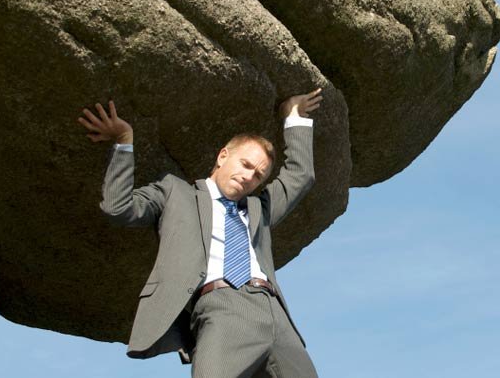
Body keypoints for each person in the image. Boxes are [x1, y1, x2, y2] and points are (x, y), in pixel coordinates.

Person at [78, 88, 323, 378]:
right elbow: (118, 208)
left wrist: (293, 115)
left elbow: (301, 175)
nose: (248, 177)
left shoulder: (260, 209)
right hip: (222, 308)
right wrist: (123, 141)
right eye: (245, 165)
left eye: (258, 175)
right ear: (222, 156)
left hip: (276, 315)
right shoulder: (175, 192)